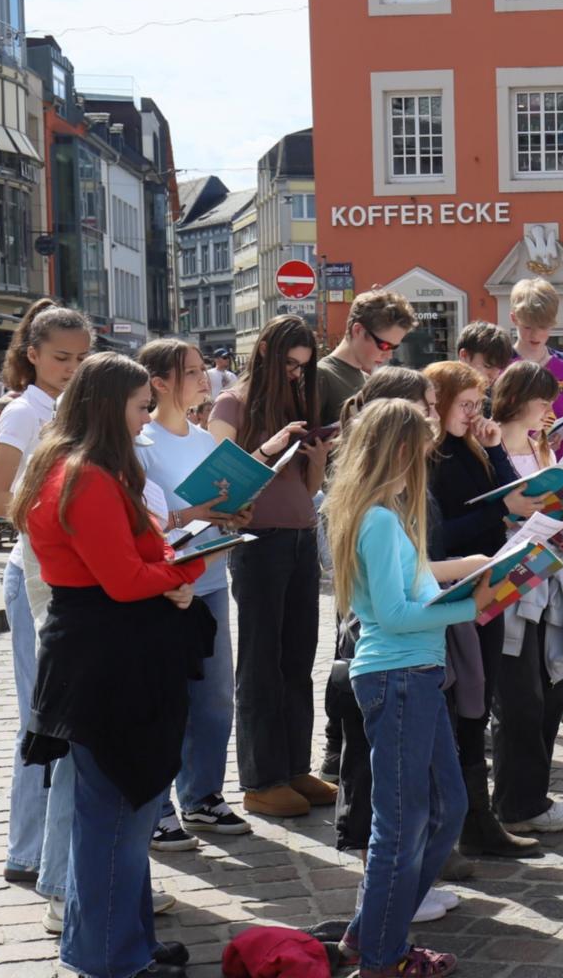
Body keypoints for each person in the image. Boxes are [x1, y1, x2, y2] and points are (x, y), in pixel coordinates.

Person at [11, 352, 209, 978]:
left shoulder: (79, 466)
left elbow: (143, 554)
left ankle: (123, 943)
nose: (145, 418)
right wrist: (181, 572)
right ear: (106, 406)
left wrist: (176, 570)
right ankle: (109, 956)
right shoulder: (85, 474)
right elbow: (125, 578)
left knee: (121, 813)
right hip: (108, 657)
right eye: (138, 406)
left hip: (108, 649)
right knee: (116, 815)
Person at [324, 399, 492, 978]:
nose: (427, 461)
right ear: (400, 450)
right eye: (422, 451)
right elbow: (393, 615)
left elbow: (411, 588)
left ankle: (371, 933)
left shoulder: (387, 514)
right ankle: (381, 957)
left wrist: (470, 576)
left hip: (413, 675)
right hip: (396, 676)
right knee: (403, 824)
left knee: (448, 808)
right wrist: (474, 603)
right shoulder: (376, 517)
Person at [0, 298, 92, 897]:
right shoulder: (26, 411)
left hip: (70, 574)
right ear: (33, 356)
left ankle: (42, 850)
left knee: (58, 719)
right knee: (41, 719)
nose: (71, 367)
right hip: (36, 576)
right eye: (59, 358)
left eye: (81, 357)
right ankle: (26, 851)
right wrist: (61, 514)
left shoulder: (78, 405)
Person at [419, 360, 549, 859]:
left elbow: (506, 493)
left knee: (482, 693)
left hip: (490, 583)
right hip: (455, 586)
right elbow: (440, 534)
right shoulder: (430, 456)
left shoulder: (475, 445)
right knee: (463, 702)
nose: (475, 414)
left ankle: (479, 818)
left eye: (480, 404)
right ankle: (458, 822)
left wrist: (494, 448)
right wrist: (497, 516)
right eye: (466, 404)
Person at [135, 340, 260, 853]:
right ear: (159, 382)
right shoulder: (140, 441)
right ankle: (156, 805)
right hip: (165, 584)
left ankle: (202, 794)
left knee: (213, 698)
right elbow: (143, 520)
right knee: (164, 700)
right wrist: (198, 514)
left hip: (209, 576)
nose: (204, 377)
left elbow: (220, 503)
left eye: (202, 368)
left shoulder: (206, 441)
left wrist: (234, 514)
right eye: (190, 371)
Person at [208, 315, 333, 818]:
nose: (296, 375)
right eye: (289, 364)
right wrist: (269, 447)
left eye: (303, 368)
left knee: (297, 658)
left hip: (300, 537)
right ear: (264, 353)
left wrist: (319, 457)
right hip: (257, 544)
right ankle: (261, 779)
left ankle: (295, 765)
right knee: (261, 661)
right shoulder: (231, 402)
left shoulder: (298, 403)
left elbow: (303, 489)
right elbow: (219, 486)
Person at [488, 361, 563, 832]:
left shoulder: (538, 445)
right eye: (543, 400)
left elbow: (557, 507)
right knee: (519, 699)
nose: (550, 410)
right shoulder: (492, 447)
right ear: (518, 397)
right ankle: (516, 802)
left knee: (549, 692)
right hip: (508, 582)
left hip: (546, 575)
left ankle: (533, 795)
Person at [505, 279, 563, 727]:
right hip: (523, 489)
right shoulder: (504, 365)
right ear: (514, 320)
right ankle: (526, 690)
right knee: (524, 593)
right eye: (528, 327)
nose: (536, 336)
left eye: (543, 328)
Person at [317, 289, 417, 428]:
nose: (388, 355)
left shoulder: (368, 380)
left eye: (394, 348)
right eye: (384, 345)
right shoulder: (321, 375)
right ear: (358, 330)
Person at [454, 321, 513, 393]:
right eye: (487, 366)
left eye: (499, 369)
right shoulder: (440, 393)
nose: (494, 376)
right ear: (464, 356)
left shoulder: (495, 397)